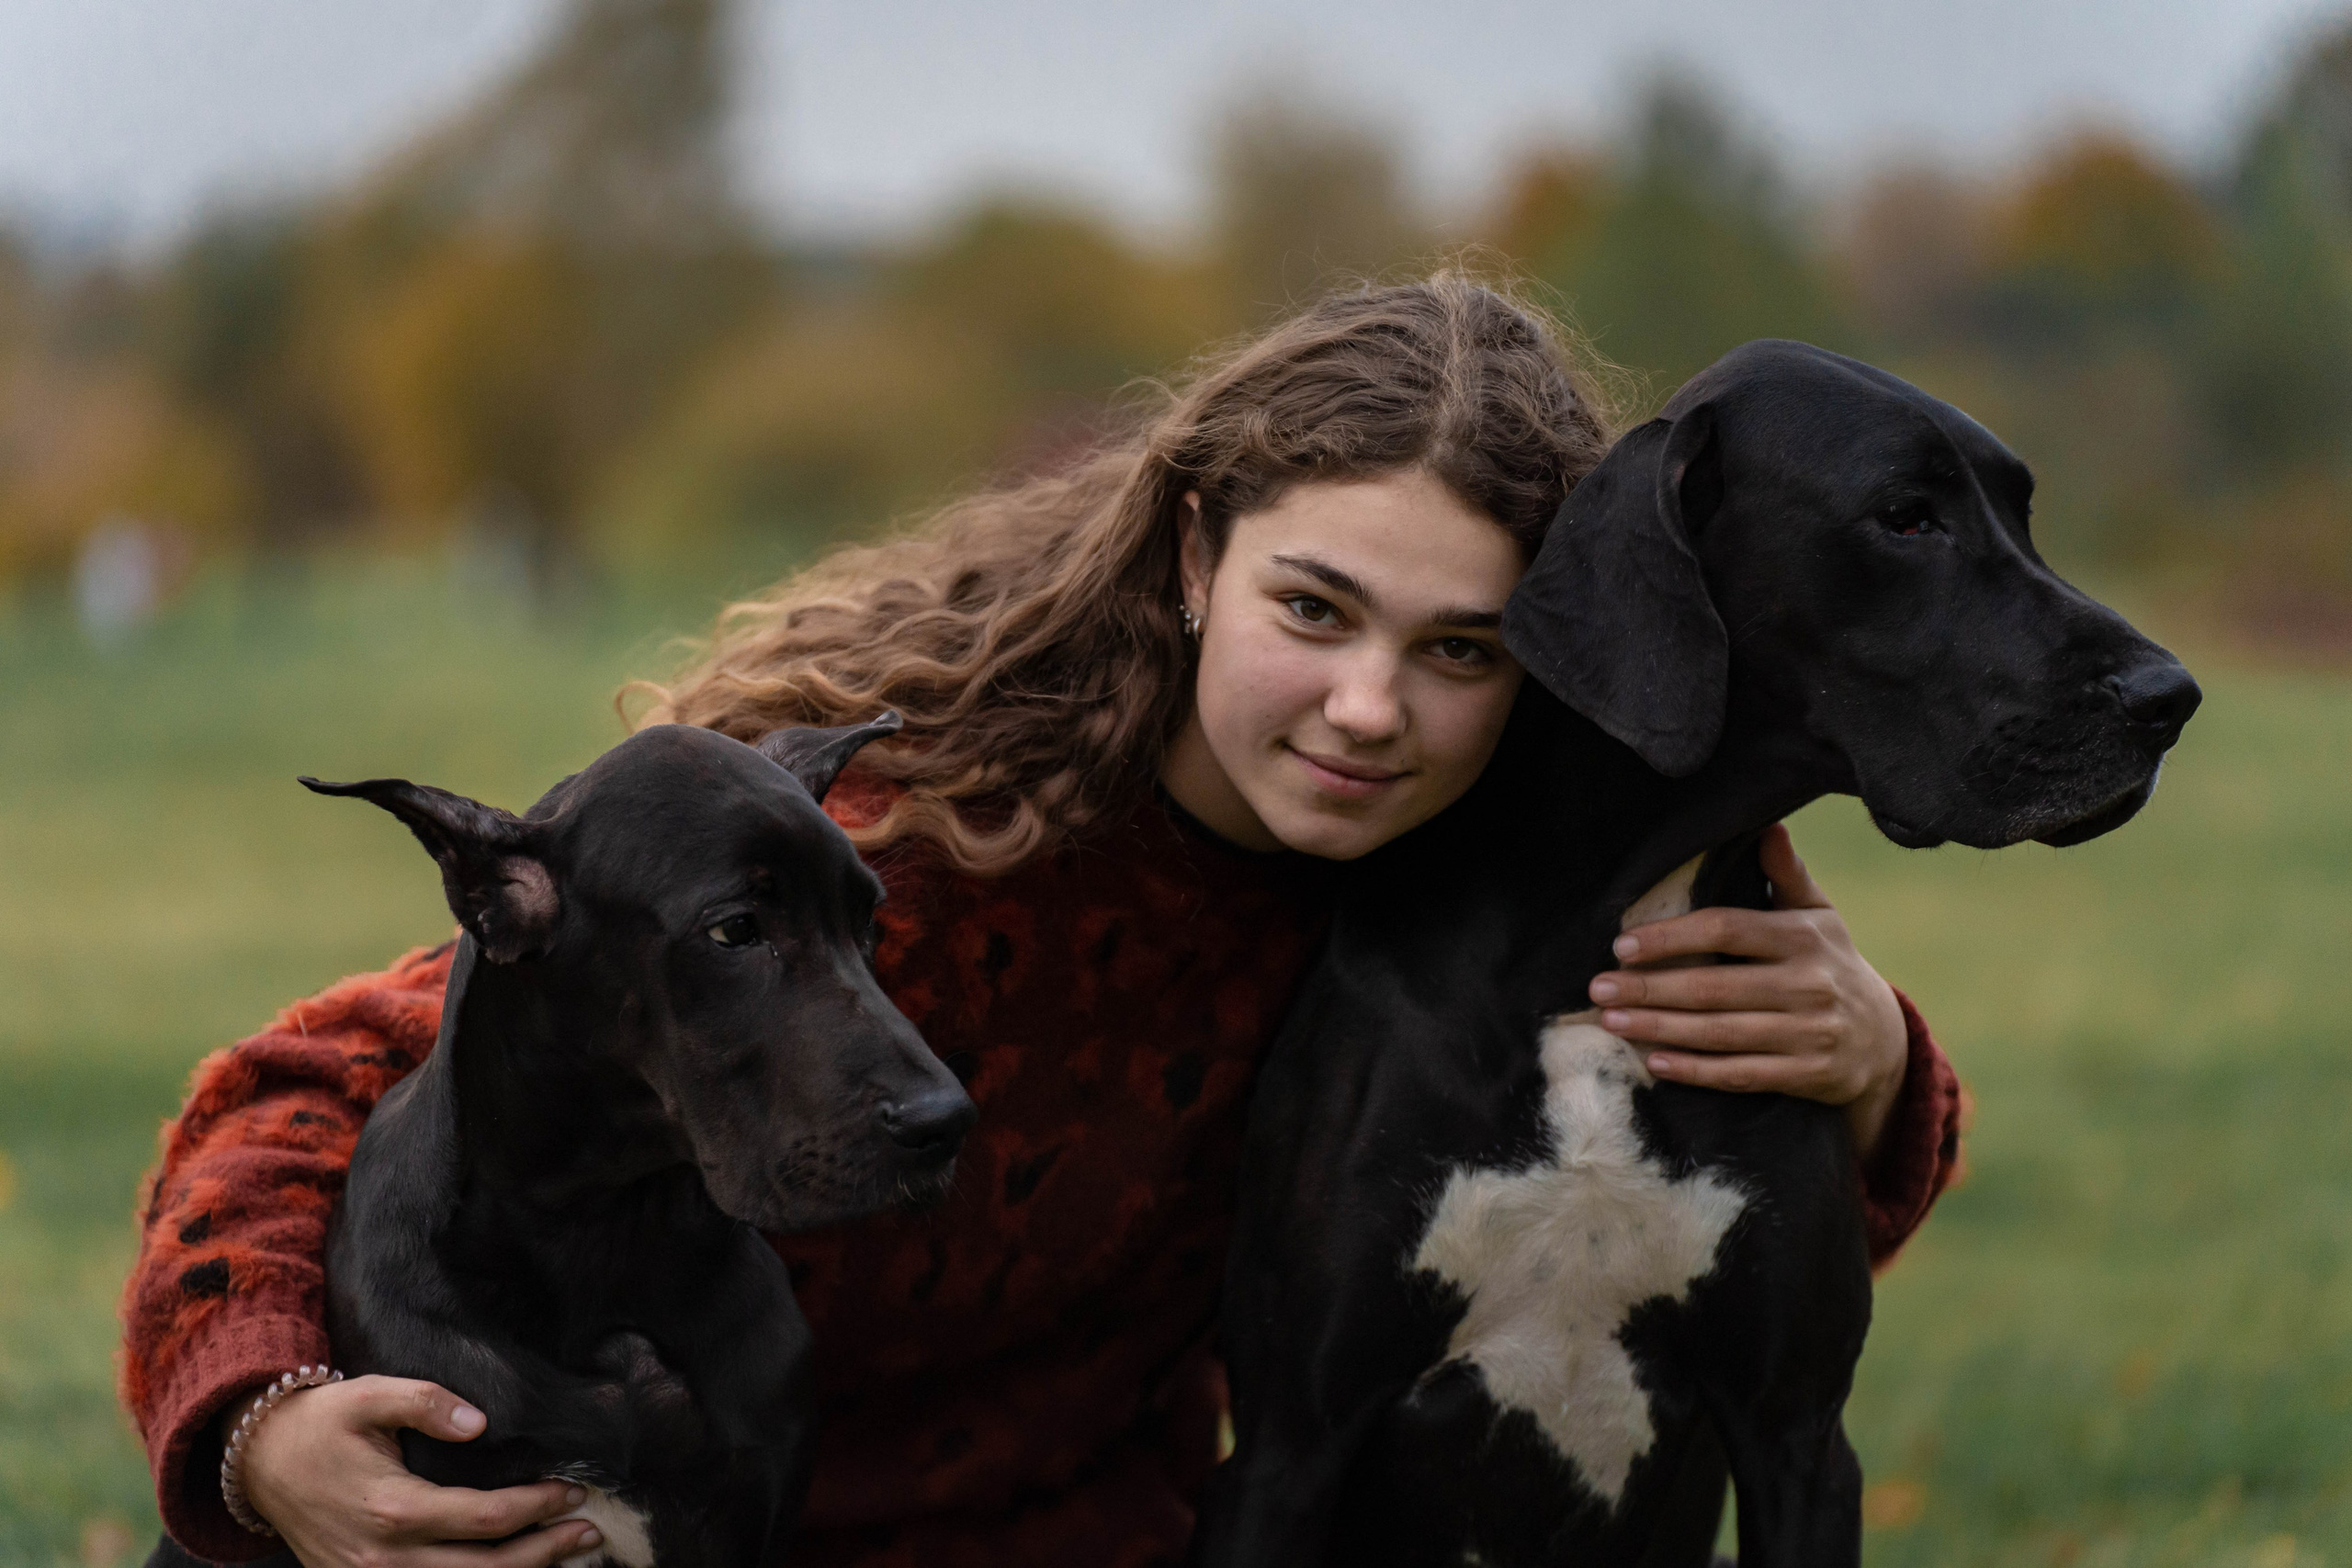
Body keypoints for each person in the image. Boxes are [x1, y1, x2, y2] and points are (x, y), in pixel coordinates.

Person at [121, 275, 1963, 1568]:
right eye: (1312, 609)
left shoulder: (1540, 854)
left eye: (1458, 649)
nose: (1369, 708)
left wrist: (1878, 1062)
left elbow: (1714, 1238)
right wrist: (265, 1419)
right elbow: (310, 1081)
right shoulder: (891, 833)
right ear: (1190, 555)